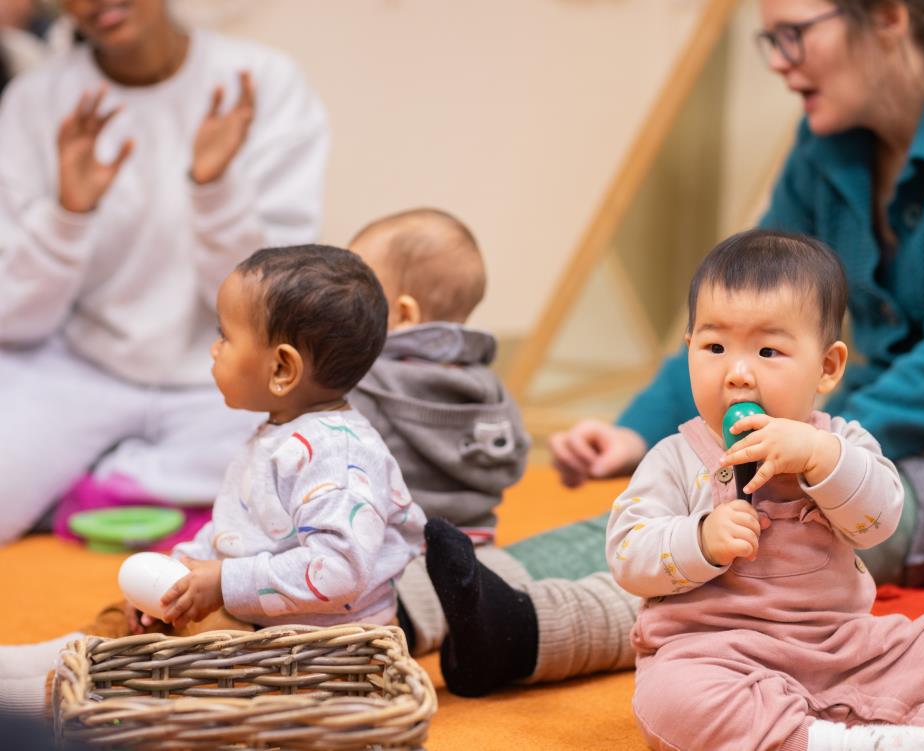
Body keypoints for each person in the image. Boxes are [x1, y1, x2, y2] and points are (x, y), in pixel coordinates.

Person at [424, 0, 924, 696]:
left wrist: (815, 445)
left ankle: (527, 630)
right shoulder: (826, 147)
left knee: (768, 540)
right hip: (827, 415)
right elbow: (736, 314)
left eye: (792, 34)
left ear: (886, 15)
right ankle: (414, 598)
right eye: (768, 40)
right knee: (679, 499)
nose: (779, 59)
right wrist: (633, 429)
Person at [609, 229, 924, 751]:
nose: (738, 373)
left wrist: (822, 459)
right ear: (689, 352)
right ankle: (824, 742)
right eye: (714, 346)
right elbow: (628, 554)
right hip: (715, 651)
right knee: (672, 699)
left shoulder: (842, 442)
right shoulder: (676, 458)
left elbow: (879, 521)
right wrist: (699, 538)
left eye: (768, 350)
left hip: (840, 643)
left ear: (828, 367)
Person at [0, 245, 427, 716]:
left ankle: (49, 702)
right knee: (143, 621)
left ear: (282, 369)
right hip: (257, 616)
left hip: (307, 647)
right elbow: (238, 529)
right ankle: (71, 654)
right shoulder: (280, 431)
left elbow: (340, 571)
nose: (214, 348)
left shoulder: (339, 456)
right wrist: (189, 567)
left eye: (226, 336)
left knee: (177, 664)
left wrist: (223, 582)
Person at [0, 0, 328, 545]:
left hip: (222, 376)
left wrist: (215, 190)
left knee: (306, 500)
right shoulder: (34, 103)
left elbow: (277, 305)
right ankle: (137, 480)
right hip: (79, 368)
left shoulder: (264, 81)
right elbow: (14, 317)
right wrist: (68, 216)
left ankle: (106, 481)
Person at [345, 208, 533, 656]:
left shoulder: (365, 381)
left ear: (403, 313)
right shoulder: (489, 384)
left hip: (398, 558)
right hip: (480, 549)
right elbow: (516, 460)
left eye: (354, 302)